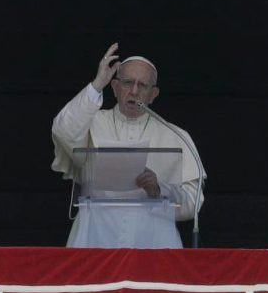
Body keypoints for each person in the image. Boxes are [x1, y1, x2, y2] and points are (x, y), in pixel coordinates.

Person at [51, 42, 205, 248]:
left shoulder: (176, 135)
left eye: (142, 86)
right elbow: (63, 130)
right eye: (127, 83)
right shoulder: (91, 122)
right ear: (114, 87)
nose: (134, 91)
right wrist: (97, 83)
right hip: (94, 236)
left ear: (153, 94)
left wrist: (159, 189)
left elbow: (192, 204)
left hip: (153, 240)